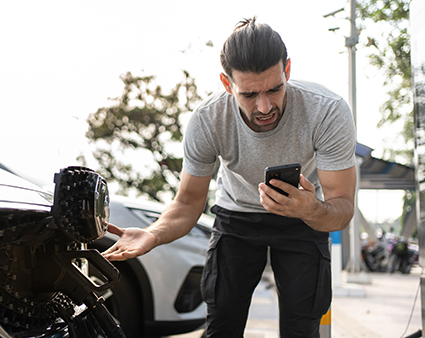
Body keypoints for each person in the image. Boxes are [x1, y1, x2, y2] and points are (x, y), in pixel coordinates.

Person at [103, 16, 356, 338]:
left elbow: (342, 208)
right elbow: (188, 202)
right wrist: (153, 234)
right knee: (222, 321)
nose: (264, 106)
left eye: (275, 89)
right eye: (249, 95)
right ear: (227, 84)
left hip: (304, 218)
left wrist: (310, 209)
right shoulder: (207, 120)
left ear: (287, 71)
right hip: (237, 218)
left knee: (303, 326)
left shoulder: (327, 110)